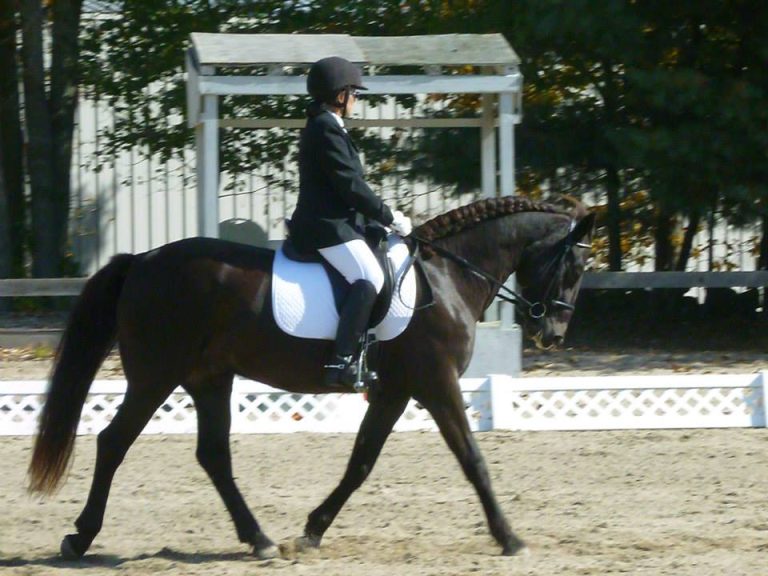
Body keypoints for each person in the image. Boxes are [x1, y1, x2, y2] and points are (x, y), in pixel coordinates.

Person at [288, 56, 412, 387]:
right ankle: (340, 363)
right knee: (369, 275)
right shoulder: (325, 128)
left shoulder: (327, 126)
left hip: (338, 221)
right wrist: (389, 216)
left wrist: (377, 225)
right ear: (340, 94)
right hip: (324, 226)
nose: (356, 99)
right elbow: (350, 185)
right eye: (354, 92)